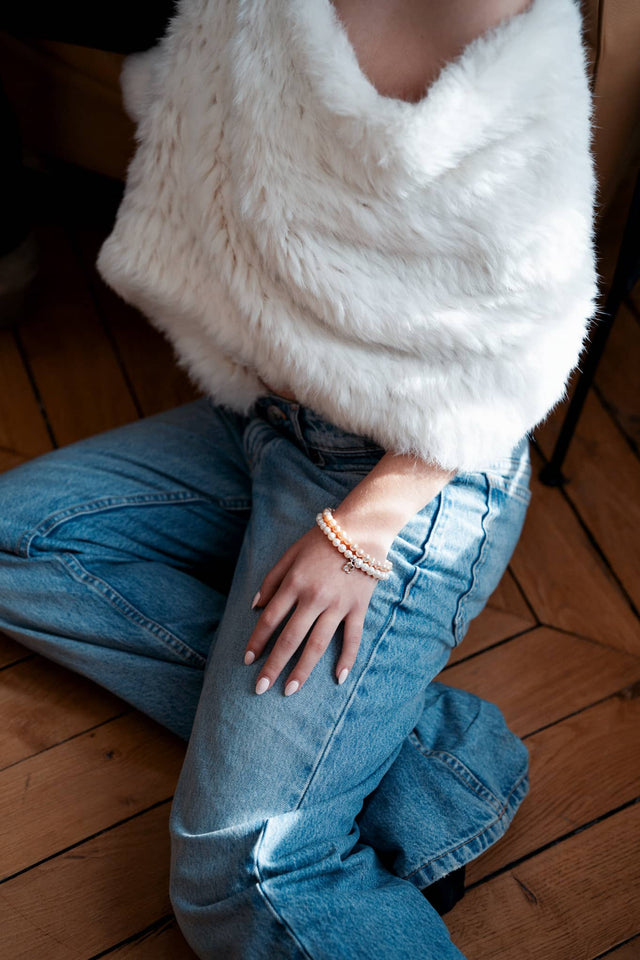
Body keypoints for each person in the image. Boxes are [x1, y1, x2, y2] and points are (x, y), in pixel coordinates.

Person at [0, 1, 597, 957]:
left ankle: (347, 757)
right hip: (270, 419)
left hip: (415, 472)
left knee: (249, 873)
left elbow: (531, 342)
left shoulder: (483, 16)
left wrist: (360, 530)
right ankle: (432, 758)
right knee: (16, 539)